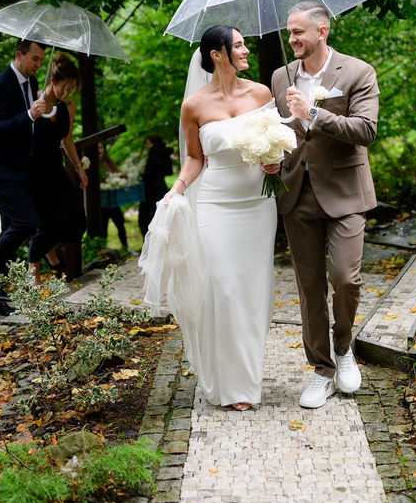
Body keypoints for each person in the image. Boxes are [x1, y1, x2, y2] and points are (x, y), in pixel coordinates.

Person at [140, 25, 280, 411]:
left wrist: (274, 160)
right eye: (238, 45)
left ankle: (248, 383)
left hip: (257, 205)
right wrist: (176, 190)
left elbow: (275, 141)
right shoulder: (194, 106)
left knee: (253, 292)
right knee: (222, 288)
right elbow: (195, 158)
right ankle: (228, 383)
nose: (245, 50)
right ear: (217, 54)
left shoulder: (262, 94)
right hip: (216, 206)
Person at [271, 1, 379, 409]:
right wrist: (270, 156)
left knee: (345, 278)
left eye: (298, 32)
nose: (292, 39)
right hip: (296, 192)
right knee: (309, 286)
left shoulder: (357, 71)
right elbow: (280, 131)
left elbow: (366, 130)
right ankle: (322, 370)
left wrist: (314, 112)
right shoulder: (280, 76)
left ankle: (344, 347)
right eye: (289, 32)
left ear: (322, 31)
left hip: (346, 192)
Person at [0, 38, 51, 313]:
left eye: (41, 60)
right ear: (19, 55)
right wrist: (29, 114)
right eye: (35, 59)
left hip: (17, 169)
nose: (39, 65)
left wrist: (39, 111)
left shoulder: (30, 84)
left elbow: (25, 127)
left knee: (10, 229)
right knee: (26, 222)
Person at [27, 53, 88, 285]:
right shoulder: (33, 100)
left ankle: (51, 257)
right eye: (65, 86)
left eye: (72, 87)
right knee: (45, 223)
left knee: (75, 217)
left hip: (54, 167)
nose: (68, 92)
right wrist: (34, 113)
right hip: (33, 170)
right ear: (52, 80)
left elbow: (68, 140)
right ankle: (34, 281)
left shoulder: (68, 106)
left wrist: (79, 168)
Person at [138, 135, 173, 238]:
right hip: (161, 186)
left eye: (149, 143)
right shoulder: (165, 154)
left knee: (147, 216)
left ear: (154, 144)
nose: (148, 146)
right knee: (159, 213)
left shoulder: (153, 155)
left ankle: (150, 239)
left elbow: (148, 174)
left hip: (150, 189)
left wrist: (142, 175)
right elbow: (169, 171)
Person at [98, 141, 129, 249]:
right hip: (102, 202)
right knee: (103, 227)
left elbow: (116, 174)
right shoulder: (93, 164)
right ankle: (103, 250)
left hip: (113, 200)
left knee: (120, 224)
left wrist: (121, 177)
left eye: (101, 147)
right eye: (97, 148)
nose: (99, 150)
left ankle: (125, 247)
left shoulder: (108, 161)